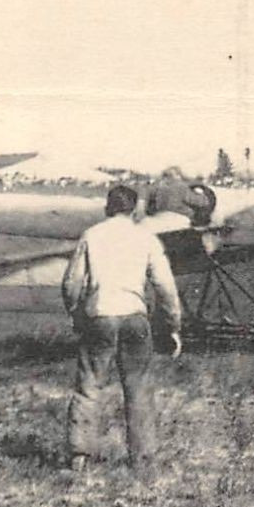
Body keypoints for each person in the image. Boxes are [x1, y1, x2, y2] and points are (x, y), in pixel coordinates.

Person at [60, 184, 183, 472]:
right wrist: (172, 324)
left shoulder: (91, 236)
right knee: (138, 387)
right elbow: (166, 287)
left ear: (107, 208)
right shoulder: (146, 238)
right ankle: (143, 458)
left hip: (99, 315)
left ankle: (80, 456)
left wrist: (77, 315)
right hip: (135, 318)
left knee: (89, 385)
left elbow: (71, 285)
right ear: (135, 210)